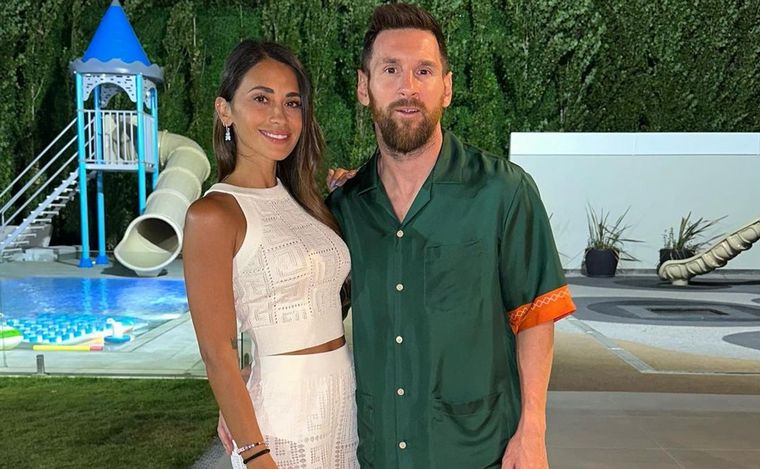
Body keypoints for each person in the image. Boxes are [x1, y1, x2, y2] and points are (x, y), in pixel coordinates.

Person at [326, 4, 576, 468]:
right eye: (390, 70)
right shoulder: (345, 206)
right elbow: (313, 311)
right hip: (379, 451)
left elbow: (535, 317)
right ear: (364, 87)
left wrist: (533, 430)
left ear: (447, 87)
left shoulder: (504, 192)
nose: (408, 87)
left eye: (424, 71)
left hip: (479, 451)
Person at [183, 40, 359, 469]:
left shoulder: (304, 202)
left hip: (344, 406)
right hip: (281, 424)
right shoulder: (214, 214)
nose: (280, 116)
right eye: (261, 98)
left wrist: (362, 193)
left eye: (292, 103)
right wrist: (255, 453)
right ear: (225, 110)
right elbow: (217, 353)